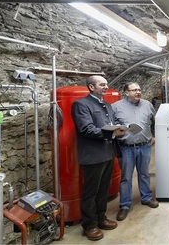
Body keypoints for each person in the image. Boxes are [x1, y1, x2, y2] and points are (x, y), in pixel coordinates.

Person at [71, 75, 125, 241]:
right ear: (91, 87)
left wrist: (120, 128)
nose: (106, 87)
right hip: (93, 155)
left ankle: (101, 218)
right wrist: (111, 132)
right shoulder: (81, 105)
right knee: (90, 192)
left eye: (106, 84)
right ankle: (89, 225)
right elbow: (85, 129)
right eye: (102, 84)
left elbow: (112, 122)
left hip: (108, 153)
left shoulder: (107, 105)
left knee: (103, 189)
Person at [112, 82, 159, 221]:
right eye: (134, 90)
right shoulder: (116, 107)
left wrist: (154, 135)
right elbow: (111, 125)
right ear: (126, 92)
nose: (138, 92)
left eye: (139, 89)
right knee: (126, 177)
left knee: (144, 173)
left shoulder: (147, 105)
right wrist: (116, 132)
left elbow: (154, 120)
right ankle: (125, 205)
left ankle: (146, 198)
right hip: (126, 147)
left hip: (144, 146)